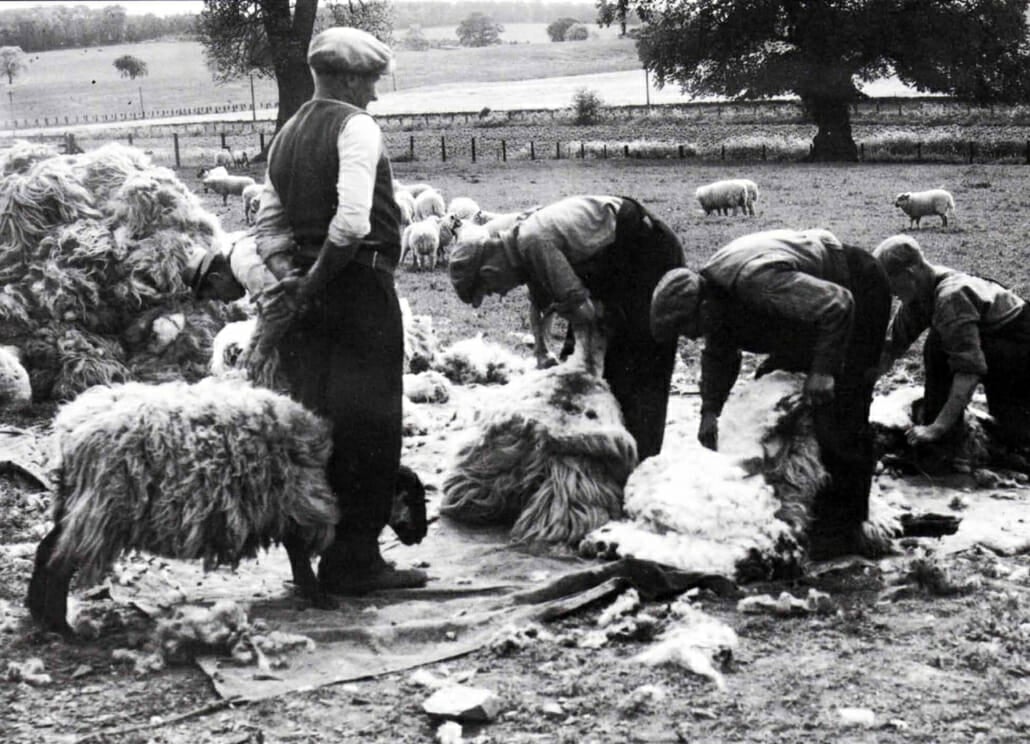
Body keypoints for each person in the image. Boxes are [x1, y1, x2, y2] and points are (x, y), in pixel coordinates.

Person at [252, 27, 426, 594]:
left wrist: (293, 282)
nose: (374, 94)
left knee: (318, 423)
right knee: (370, 426)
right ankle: (356, 563)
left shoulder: (287, 134)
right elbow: (352, 224)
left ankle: (314, 549)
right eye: (370, 81)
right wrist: (321, 279)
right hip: (358, 291)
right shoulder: (356, 126)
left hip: (308, 300)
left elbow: (269, 224)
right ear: (348, 78)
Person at [649, 229, 892, 559]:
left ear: (702, 306)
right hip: (810, 313)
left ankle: (846, 531)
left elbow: (837, 304)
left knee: (841, 408)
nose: (692, 338)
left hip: (855, 289)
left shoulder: (754, 282)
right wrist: (710, 410)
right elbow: (720, 352)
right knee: (775, 388)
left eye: (689, 328)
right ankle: (807, 499)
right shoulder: (716, 298)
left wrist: (822, 371)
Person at [448, 195, 685, 461]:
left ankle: (636, 462)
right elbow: (539, 304)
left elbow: (585, 312)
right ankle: (595, 448)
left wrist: (596, 321)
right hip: (612, 265)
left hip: (647, 252)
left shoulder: (533, 242)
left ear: (489, 269)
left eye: (491, 289)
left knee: (636, 361)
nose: (501, 293)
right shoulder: (519, 245)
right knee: (579, 362)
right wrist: (541, 350)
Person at [873, 235, 1030, 462]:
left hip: (1018, 350)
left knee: (1015, 439)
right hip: (1000, 348)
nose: (891, 294)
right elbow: (890, 348)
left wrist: (937, 427)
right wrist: (860, 390)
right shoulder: (921, 292)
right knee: (939, 345)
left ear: (909, 275)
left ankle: (945, 437)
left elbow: (969, 369)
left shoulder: (951, 297)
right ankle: (945, 438)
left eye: (892, 286)